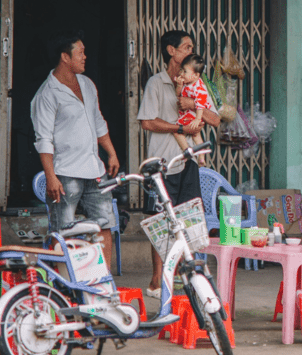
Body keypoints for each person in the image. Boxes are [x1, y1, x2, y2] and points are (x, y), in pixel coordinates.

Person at [137, 30, 220, 298]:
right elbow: (147, 121)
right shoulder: (156, 83)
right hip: (163, 163)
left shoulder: (198, 81)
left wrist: (193, 103)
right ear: (171, 51)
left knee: (189, 219)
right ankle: (157, 281)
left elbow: (216, 120)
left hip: (190, 161)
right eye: (186, 47)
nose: (191, 51)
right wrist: (179, 128)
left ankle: (191, 276)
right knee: (161, 221)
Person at [31, 30, 120, 268]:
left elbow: (98, 121)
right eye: (80, 52)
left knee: (104, 226)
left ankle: (104, 281)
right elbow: (44, 140)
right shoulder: (47, 94)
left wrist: (110, 152)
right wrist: (51, 176)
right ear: (65, 57)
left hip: (95, 169)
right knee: (63, 232)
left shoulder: (87, 84)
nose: (85, 57)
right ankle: (62, 286)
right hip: (66, 173)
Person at [172, 53, 210, 166]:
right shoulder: (187, 83)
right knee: (196, 135)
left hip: (193, 115)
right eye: (182, 70)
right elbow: (177, 94)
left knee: (177, 131)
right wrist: (179, 85)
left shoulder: (199, 88)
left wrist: (198, 119)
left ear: (196, 75)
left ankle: (187, 150)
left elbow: (200, 104)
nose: (181, 74)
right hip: (191, 115)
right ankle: (201, 157)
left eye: (185, 72)